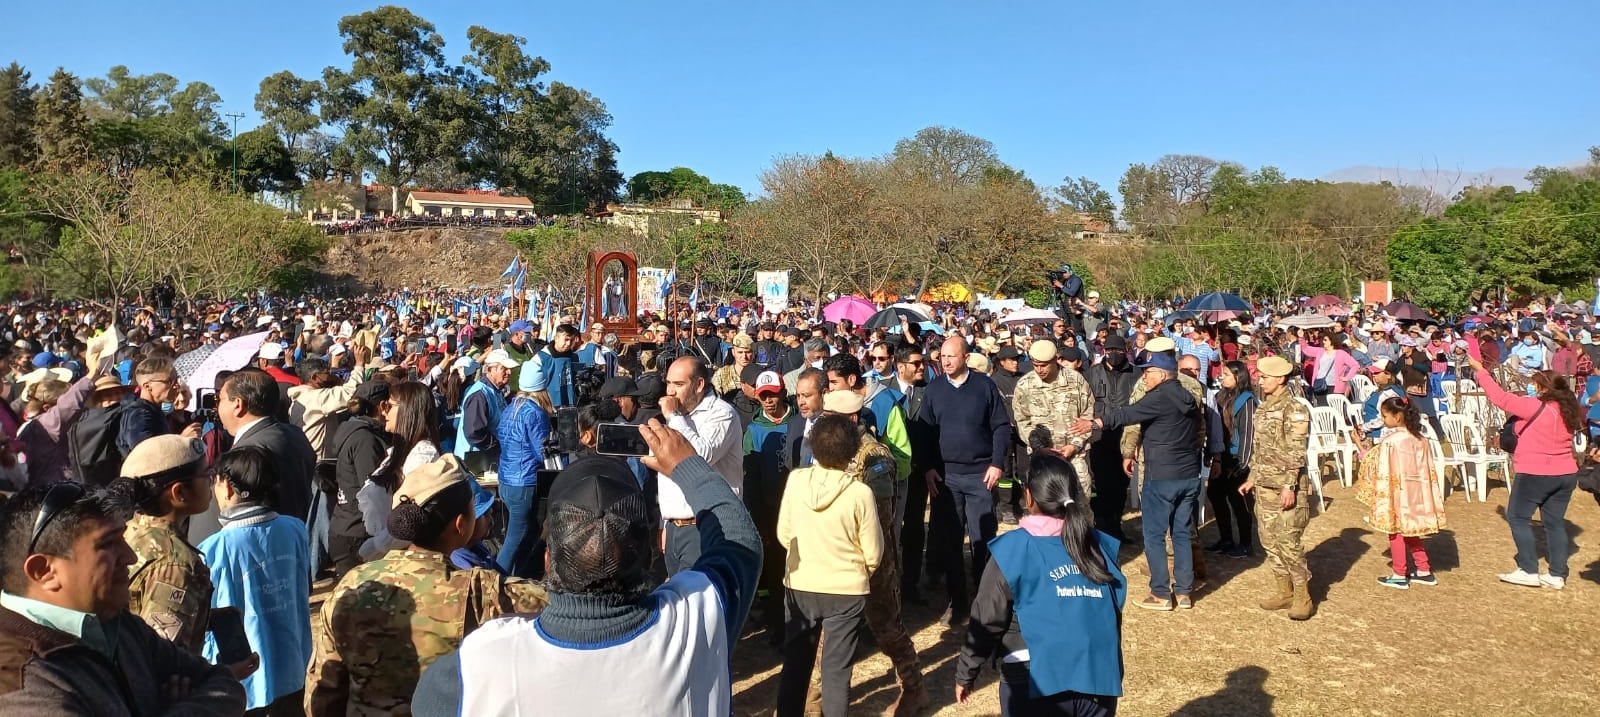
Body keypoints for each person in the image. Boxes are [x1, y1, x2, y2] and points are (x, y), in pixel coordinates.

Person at [411, 421, 760, 716]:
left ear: (547, 560)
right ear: (652, 552)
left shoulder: (476, 666)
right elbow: (739, 539)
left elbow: (426, 702)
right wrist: (686, 464)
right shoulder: (697, 617)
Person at [304, 455, 546, 716]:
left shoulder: (351, 585)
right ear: (461, 524)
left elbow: (320, 698)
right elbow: (556, 603)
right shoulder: (480, 591)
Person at [0, 482, 247, 714]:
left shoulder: (117, 624)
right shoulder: (17, 680)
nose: (129, 556)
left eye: (122, 538)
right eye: (107, 544)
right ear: (44, 571)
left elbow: (224, 685)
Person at [954, 455, 1125, 717]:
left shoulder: (1013, 550)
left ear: (1029, 496)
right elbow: (1115, 606)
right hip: (1097, 677)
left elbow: (987, 617)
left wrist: (966, 672)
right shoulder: (1099, 546)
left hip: (1034, 679)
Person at [1074, 352, 1201, 611]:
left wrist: (1096, 422)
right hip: (1188, 476)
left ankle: (1161, 594)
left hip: (1162, 476)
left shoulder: (1160, 396)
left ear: (1163, 375)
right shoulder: (1187, 395)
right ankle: (1185, 591)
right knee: (1180, 532)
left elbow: (1128, 414)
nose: (1144, 375)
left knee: (1154, 535)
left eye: (1149, 371)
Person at [776, 414, 881, 717]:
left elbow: (784, 533)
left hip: (801, 584)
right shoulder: (860, 492)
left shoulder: (796, 480)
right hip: (846, 590)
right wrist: (855, 573)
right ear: (853, 450)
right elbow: (873, 552)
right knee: (837, 673)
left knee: (795, 667)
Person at [199, 445, 313, 715]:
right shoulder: (294, 528)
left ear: (226, 487)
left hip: (244, 669)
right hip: (292, 657)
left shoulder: (215, 547)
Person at [1466, 355, 1584, 590]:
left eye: (1535, 384)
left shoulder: (1534, 406)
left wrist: (1481, 371)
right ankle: (1557, 575)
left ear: (1542, 388)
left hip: (1536, 472)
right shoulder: (1569, 410)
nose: (1532, 387)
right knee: (1554, 523)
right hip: (1566, 473)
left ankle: (1529, 570)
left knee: (1518, 517)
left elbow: (1499, 398)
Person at [919, 336, 1012, 623]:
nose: (945, 361)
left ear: (966, 357)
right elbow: (926, 434)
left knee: (983, 539)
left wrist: (997, 463)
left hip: (980, 475)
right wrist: (929, 468)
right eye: (942, 357)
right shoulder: (934, 390)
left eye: (951, 356)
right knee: (950, 541)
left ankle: (986, 602)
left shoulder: (984, 387)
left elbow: (1000, 427)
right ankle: (957, 601)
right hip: (947, 478)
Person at [115, 435, 219, 655]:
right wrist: (222, 676)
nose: (212, 479)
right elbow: (164, 656)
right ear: (179, 492)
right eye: (206, 474)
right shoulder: (176, 564)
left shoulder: (129, 529)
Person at [1240, 356, 1315, 620]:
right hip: (1265, 485)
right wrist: (1252, 476)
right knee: (1269, 540)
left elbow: (1297, 451)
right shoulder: (1264, 407)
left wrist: (1290, 485)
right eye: (1260, 376)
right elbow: (1262, 449)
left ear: (1281, 378)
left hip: (1286, 486)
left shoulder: (1294, 408)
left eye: (1266, 377)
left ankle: (1302, 595)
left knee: (1288, 541)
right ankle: (1283, 590)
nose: (1261, 381)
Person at [659, 356, 745, 574]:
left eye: (678, 384)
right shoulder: (673, 416)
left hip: (706, 526)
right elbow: (667, 471)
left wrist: (674, 416)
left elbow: (699, 458)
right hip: (675, 527)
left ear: (699, 385)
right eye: (668, 383)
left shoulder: (721, 413)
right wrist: (665, 522)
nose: (670, 391)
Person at [1355, 396, 1446, 590]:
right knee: (1411, 530)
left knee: (1395, 531)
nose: (1383, 419)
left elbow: (1374, 463)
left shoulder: (1392, 441)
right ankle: (1423, 569)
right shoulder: (1420, 438)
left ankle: (1399, 572)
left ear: (1397, 417)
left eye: (1385, 416)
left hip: (1397, 493)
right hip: (1417, 493)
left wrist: (1358, 445)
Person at [743, 369, 792, 643]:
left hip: (798, 509)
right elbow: (750, 477)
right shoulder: (754, 430)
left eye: (773, 394)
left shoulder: (798, 422)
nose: (769, 401)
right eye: (763, 396)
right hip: (769, 511)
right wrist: (756, 515)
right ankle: (777, 624)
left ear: (782, 392)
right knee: (774, 567)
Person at [1013, 339, 1096, 498]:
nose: (1039, 370)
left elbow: (1087, 416)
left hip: (1074, 456)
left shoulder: (1076, 380)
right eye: (1035, 365)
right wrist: (1037, 444)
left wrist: (1074, 445)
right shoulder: (1025, 385)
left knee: (1081, 505)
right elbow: (1022, 420)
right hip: (1043, 458)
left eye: (1044, 365)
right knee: (1049, 507)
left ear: (1055, 360)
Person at [496, 354, 554, 577]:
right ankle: (496, 584)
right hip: (524, 482)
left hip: (507, 480)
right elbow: (543, 450)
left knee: (527, 536)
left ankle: (517, 578)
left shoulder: (511, 407)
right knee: (514, 540)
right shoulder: (535, 412)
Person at [328, 380, 392, 575]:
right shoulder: (365, 439)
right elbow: (371, 489)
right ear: (382, 406)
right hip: (357, 532)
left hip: (346, 525)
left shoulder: (353, 430)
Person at [1083, 333, 1137, 541]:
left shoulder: (1135, 374)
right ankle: (1103, 528)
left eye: (1119, 351)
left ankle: (1116, 526)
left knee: (1121, 485)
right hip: (1099, 437)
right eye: (1111, 351)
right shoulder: (1091, 374)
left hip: (1125, 436)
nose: (1115, 355)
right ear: (1104, 352)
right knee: (1102, 485)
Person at [1208, 361, 1257, 558]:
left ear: (1239, 377)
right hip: (1223, 454)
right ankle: (1226, 538)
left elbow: (1248, 434)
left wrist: (1242, 465)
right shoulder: (1221, 396)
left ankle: (1246, 543)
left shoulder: (1247, 401)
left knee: (1239, 501)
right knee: (1216, 495)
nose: (1222, 376)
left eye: (1227, 374)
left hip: (1239, 458)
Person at [453, 348, 518, 476]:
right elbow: (474, 432)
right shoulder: (479, 395)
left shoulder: (495, 390)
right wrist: (496, 446)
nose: (509, 372)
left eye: (509, 368)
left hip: (484, 461)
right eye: (503, 368)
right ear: (489, 370)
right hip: (474, 464)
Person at [117, 356, 197, 457]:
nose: (176, 385)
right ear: (147, 386)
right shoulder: (139, 415)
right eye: (169, 381)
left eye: (176, 380)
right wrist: (181, 440)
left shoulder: (153, 410)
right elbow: (145, 454)